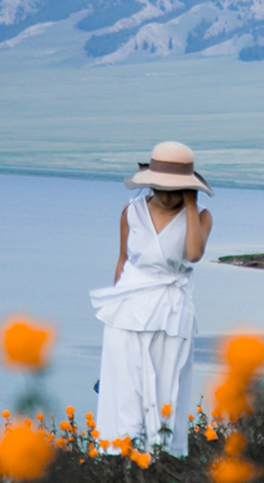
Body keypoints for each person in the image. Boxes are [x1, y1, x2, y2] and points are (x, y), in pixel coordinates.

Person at [89, 141, 212, 457]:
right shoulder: (132, 211)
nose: (166, 195)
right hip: (128, 307)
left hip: (172, 311)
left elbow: (195, 254)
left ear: (188, 187)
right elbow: (122, 261)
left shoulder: (201, 217)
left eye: (175, 188)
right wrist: (116, 305)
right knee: (125, 390)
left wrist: (190, 206)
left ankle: (159, 462)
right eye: (159, 187)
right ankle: (120, 461)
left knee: (167, 386)